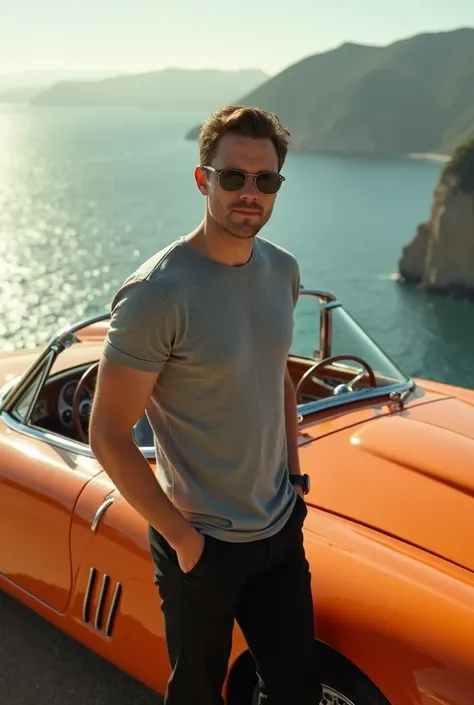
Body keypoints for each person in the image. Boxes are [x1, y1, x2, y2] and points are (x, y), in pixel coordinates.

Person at [89, 105, 320, 705]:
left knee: (296, 687)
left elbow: (279, 379)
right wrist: (183, 540)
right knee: (196, 693)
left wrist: (293, 478)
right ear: (203, 180)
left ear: (277, 188)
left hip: (278, 529)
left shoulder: (283, 270)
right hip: (201, 543)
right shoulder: (156, 295)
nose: (250, 193)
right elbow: (108, 432)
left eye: (265, 180)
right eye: (233, 177)